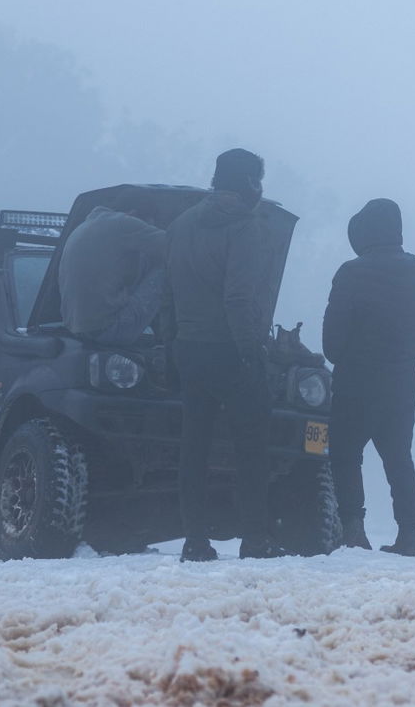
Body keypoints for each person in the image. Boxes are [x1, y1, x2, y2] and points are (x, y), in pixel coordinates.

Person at [166, 148, 282, 562]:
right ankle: (255, 539)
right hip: (230, 349)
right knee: (251, 446)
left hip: (188, 347)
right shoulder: (245, 227)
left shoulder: (181, 224)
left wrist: (173, 341)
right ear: (249, 182)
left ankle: (195, 540)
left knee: (194, 446)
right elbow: (238, 297)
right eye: (258, 180)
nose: (260, 188)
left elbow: (167, 291)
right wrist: (251, 350)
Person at [323, 198, 415, 556]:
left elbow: (331, 343)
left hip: (354, 384)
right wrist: (403, 353)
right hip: (402, 383)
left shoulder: (350, 273)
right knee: (399, 457)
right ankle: (410, 532)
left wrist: (355, 355)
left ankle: (353, 529)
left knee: (345, 456)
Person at [58, 197, 166, 347]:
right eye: (147, 226)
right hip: (109, 330)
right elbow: (176, 245)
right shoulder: (123, 223)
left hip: (77, 330)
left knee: (147, 260)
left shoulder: (87, 225)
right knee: (168, 266)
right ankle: (172, 336)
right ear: (133, 214)